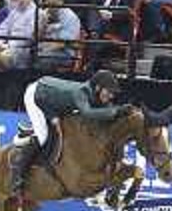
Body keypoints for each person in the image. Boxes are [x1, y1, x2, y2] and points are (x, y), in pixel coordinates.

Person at [9, 70, 130, 199]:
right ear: (98, 88)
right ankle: (17, 174)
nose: (111, 96)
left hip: (53, 99)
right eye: (109, 92)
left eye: (112, 93)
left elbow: (106, 113)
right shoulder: (80, 93)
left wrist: (120, 112)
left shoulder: (97, 95)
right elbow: (88, 113)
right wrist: (116, 111)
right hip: (36, 97)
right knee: (43, 136)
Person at [37, 0, 81, 72]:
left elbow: (62, 43)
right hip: (44, 48)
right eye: (48, 4)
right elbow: (36, 37)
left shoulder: (70, 17)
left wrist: (42, 49)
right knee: (27, 55)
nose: (51, 7)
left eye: (54, 4)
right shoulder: (43, 14)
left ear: (61, 2)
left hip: (65, 53)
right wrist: (43, 24)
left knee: (40, 58)